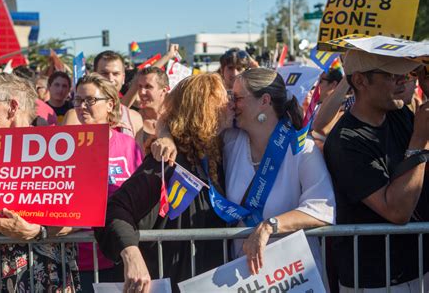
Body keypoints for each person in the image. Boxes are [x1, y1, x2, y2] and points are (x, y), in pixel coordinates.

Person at [152, 68, 335, 279]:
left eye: (237, 97)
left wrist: (269, 226)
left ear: (264, 101)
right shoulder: (231, 140)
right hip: (243, 276)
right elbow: (179, 116)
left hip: (292, 275)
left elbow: (323, 208)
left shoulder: (302, 149)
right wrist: (165, 136)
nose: (231, 104)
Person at [94, 73, 233, 292]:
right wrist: (131, 255)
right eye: (222, 102)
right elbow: (115, 209)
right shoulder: (167, 161)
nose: (230, 106)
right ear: (204, 110)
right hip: (174, 281)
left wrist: (164, 131)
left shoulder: (222, 153)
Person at [0, 73, 80, 292]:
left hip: (46, 278)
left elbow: (81, 215)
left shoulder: (58, 150)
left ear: (12, 107)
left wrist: (37, 231)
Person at [324, 50, 429, 292]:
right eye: (394, 75)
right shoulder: (344, 141)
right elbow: (396, 211)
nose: (403, 81)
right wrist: (419, 144)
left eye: (407, 74)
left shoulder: (399, 114)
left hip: (417, 267)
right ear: (360, 81)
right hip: (375, 280)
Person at [73, 73, 143, 292]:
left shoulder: (128, 145)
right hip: (77, 260)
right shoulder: (64, 146)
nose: (82, 106)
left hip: (119, 258)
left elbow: (140, 196)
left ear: (110, 104)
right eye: (77, 100)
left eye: (90, 100)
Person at [62, 51, 143, 142]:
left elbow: (138, 155)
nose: (110, 79)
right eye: (104, 73)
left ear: (123, 78)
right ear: (94, 75)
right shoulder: (76, 116)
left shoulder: (134, 118)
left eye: (116, 74)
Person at [135, 67, 169, 149]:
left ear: (164, 91)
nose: (142, 92)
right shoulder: (133, 119)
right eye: (140, 86)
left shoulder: (176, 118)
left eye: (148, 87)